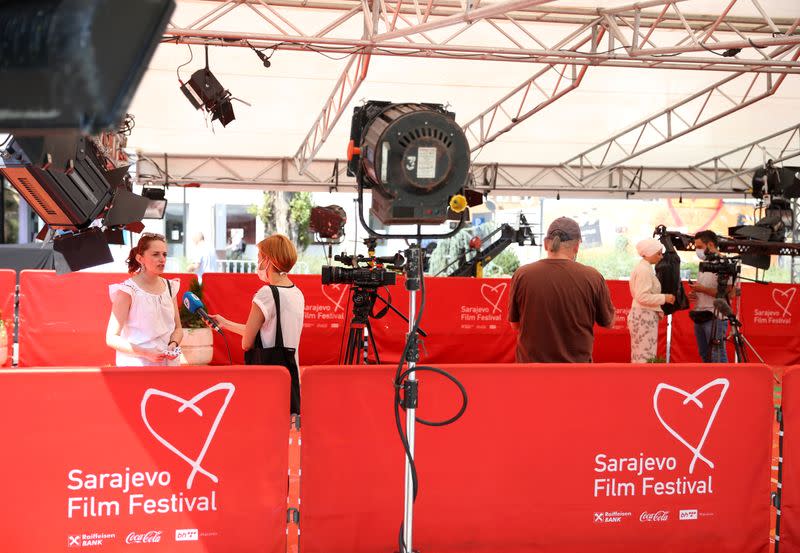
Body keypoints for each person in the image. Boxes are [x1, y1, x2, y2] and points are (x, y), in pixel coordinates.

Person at [210, 234, 305, 412]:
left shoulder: (266, 293)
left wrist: (239, 334)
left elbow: (247, 342)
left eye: (259, 257)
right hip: (291, 375)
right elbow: (267, 332)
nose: (258, 263)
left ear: (268, 260)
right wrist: (226, 324)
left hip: (267, 376)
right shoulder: (297, 293)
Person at [508, 216, 616, 363]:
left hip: (531, 371)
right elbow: (608, 323)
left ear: (546, 244)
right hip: (577, 372)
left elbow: (515, 325)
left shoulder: (522, 275)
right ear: (577, 246)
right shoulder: (593, 277)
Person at [106, 233, 183, 366]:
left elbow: (178, 329)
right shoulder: (127, 290)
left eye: (164, 254)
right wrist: (146, 353)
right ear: (140, 258)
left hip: (168, 365)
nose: (162, 259)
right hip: (137, 366)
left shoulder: (171, 287)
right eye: (155, 254)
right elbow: (111, 338)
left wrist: (173, 344)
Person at [627, 238, 675, 363]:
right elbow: (642, 296)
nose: (661, 257)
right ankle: (643, 382)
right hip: (644, 316)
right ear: (649, 253)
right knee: (644, 357)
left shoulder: (644, 267)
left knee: (642, 355)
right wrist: (664, 298)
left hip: (644, 315)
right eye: (658, 253)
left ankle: (641, 381)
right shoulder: (644, 270)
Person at [689, 229, 729, 363]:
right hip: (700, 314)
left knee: (717, 354)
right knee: (704, 354)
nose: (697, 251)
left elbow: (729, 292)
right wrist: (696, 292)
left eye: (700, 247)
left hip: (716, 316)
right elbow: (704, 287)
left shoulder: (725, 263)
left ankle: (724, 382)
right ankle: (709, 382)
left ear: (711, 245)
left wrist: (703, 289)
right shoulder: (704, 265)